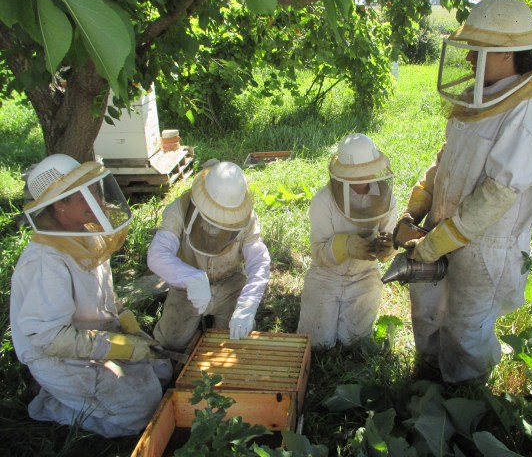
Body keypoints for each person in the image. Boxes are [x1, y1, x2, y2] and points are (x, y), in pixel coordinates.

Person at [394, 0, 532, 385]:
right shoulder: (478, 96)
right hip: (441, 228)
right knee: (428, 310)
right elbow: (445, 162)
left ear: (506, 53)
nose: (468, 59)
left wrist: (434, 244)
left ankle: (466, 399)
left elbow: (499, 192)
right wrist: (412, 213)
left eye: (477, 50)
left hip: (484, 245)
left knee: (467, 326)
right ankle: (429, 377)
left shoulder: (525, 110)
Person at [10, 154, 172, 438]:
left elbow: (102, 290)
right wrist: (121, 347)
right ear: (60, 204)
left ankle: (81, 395)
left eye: (96, 189)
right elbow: (49, 338)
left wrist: (126, 320)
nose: (98, 198)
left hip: (96, 336)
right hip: (56, 356)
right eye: (87, 194)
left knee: (162, 370)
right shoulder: (44, 262)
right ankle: (53, 405)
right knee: (142, 411)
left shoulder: (86, 233)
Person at [149, 160, 270, 351]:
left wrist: (248, 304)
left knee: (236, 339)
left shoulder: (246, 218)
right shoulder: (179, 209)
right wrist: (190, 278)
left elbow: (259, 260)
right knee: (171, 343)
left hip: (229, 282)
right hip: (186, 288)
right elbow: (157, 254)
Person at [297, 133, 397, 348]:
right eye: (356, 173)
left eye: (366, 170)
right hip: (326, 275)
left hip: (364, 275)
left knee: (355, 343)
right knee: (318, 344)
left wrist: (388, 248)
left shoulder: (385, 197)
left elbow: (390, 236)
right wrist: (344, 246)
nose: (363, 178)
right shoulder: (323, 200)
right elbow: (317, 252)